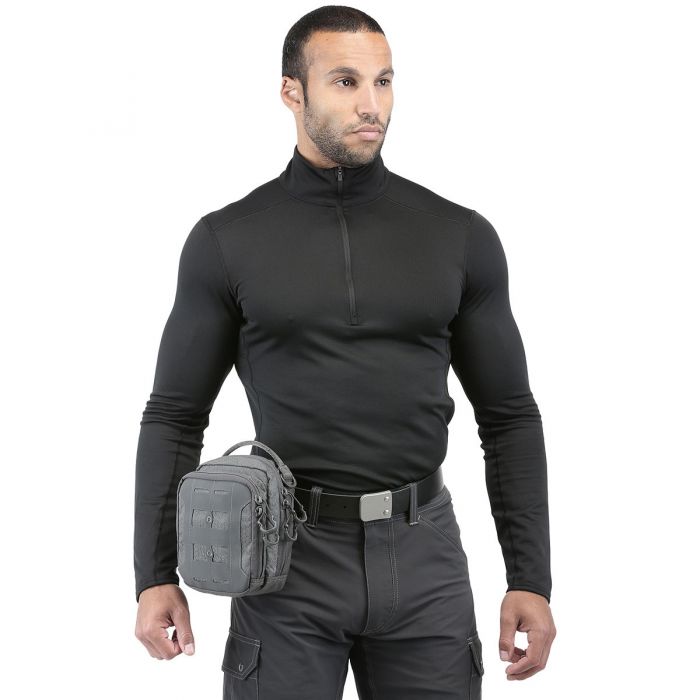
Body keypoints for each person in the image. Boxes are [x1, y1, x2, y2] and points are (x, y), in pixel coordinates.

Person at [133, 5, 556, 698]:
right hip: (284, 561)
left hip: (425, 559)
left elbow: (509, 416)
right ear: (291, 91)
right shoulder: (226, 241)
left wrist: (530, 578)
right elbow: (174, 416)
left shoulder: (459, 235)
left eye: (383, 81)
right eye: (345, 81)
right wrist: (155, 575)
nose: (371, 105)